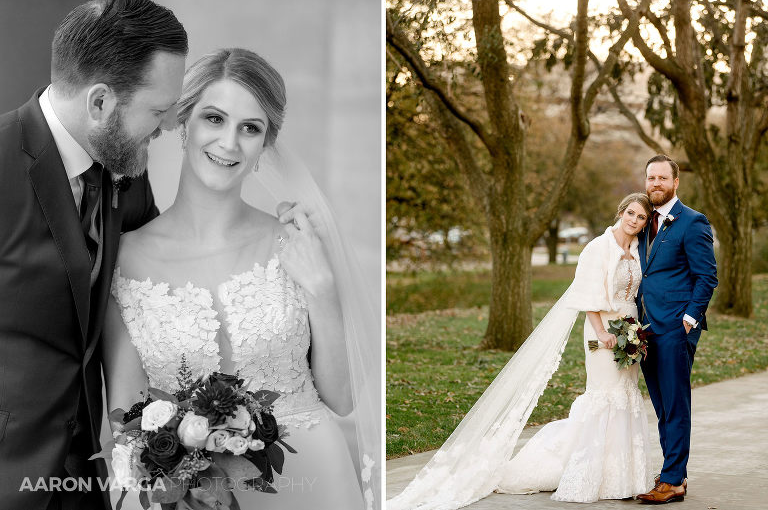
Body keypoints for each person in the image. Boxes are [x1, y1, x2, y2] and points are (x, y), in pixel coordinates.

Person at [103, 48, 379, 510]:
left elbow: (343, 398)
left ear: (265, 145)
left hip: (313, 479)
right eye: (214, 119)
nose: (229, 144)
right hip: (189, 495)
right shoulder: (126, 258)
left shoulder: (295, 242)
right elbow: (128, 421)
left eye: (250, 128)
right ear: (182, 122)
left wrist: (322, 288)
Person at [0, 0, 187, 510]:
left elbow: (147, 283)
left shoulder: (126, 164)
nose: (170, 127)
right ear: (100, 102)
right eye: (159, 110)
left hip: (87, 478)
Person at [387, 193, 654, 509]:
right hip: (603, 333)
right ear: (621, 212)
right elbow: (586, 295)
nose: (635, 221)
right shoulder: (598, 247)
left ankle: (620, 475)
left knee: (626, 395)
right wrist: (601, 333)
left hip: (630, 330)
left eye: (641, 218)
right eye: (631, 214)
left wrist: (637, 331)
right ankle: (589, 473)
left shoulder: (638, 251)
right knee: (604, 395)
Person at [635, 155, 717, 504]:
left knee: (676, 404)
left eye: (662, 178)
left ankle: (672, 479)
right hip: (643, 330)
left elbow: (706, 276)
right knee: (662, 405)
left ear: (675, 182)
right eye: (651, 177)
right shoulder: (643, 221)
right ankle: (673, 472)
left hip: (675, 329)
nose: (655, 183)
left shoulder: (693, 222)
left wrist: (689, 319)